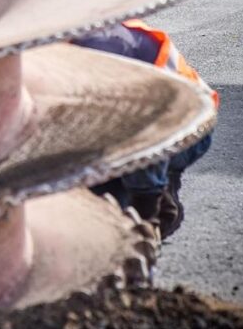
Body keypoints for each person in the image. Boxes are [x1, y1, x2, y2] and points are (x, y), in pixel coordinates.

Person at [74, 19, 219, 239]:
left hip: (185, 129)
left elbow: (148, 127)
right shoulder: (51, 47)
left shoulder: (107, 48)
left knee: (127, 218)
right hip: (119, 128)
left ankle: (155, 201)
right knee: (101, 212)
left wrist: (146, 200)